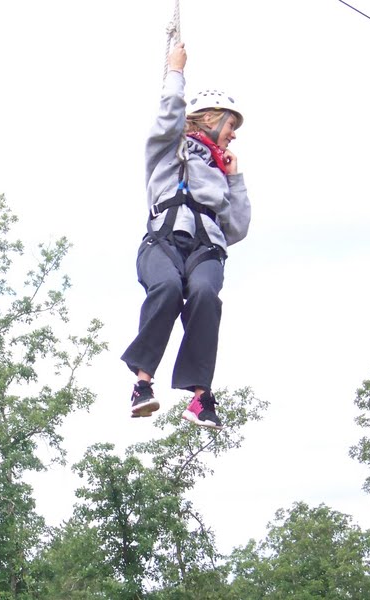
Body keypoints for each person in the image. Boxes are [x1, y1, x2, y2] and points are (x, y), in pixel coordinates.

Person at [121, 42, 251, 429]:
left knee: (205, 294)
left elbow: (237, 228)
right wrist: (175, 71)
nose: (233, 135)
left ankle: (200, 397)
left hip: (205, 249)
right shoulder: (168, 146)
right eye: (230, 126)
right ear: (210, 119)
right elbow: (168, 116)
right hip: (163, 242)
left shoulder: (221, 171)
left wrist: (235, 178)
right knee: (166, 288)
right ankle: (142, 384)